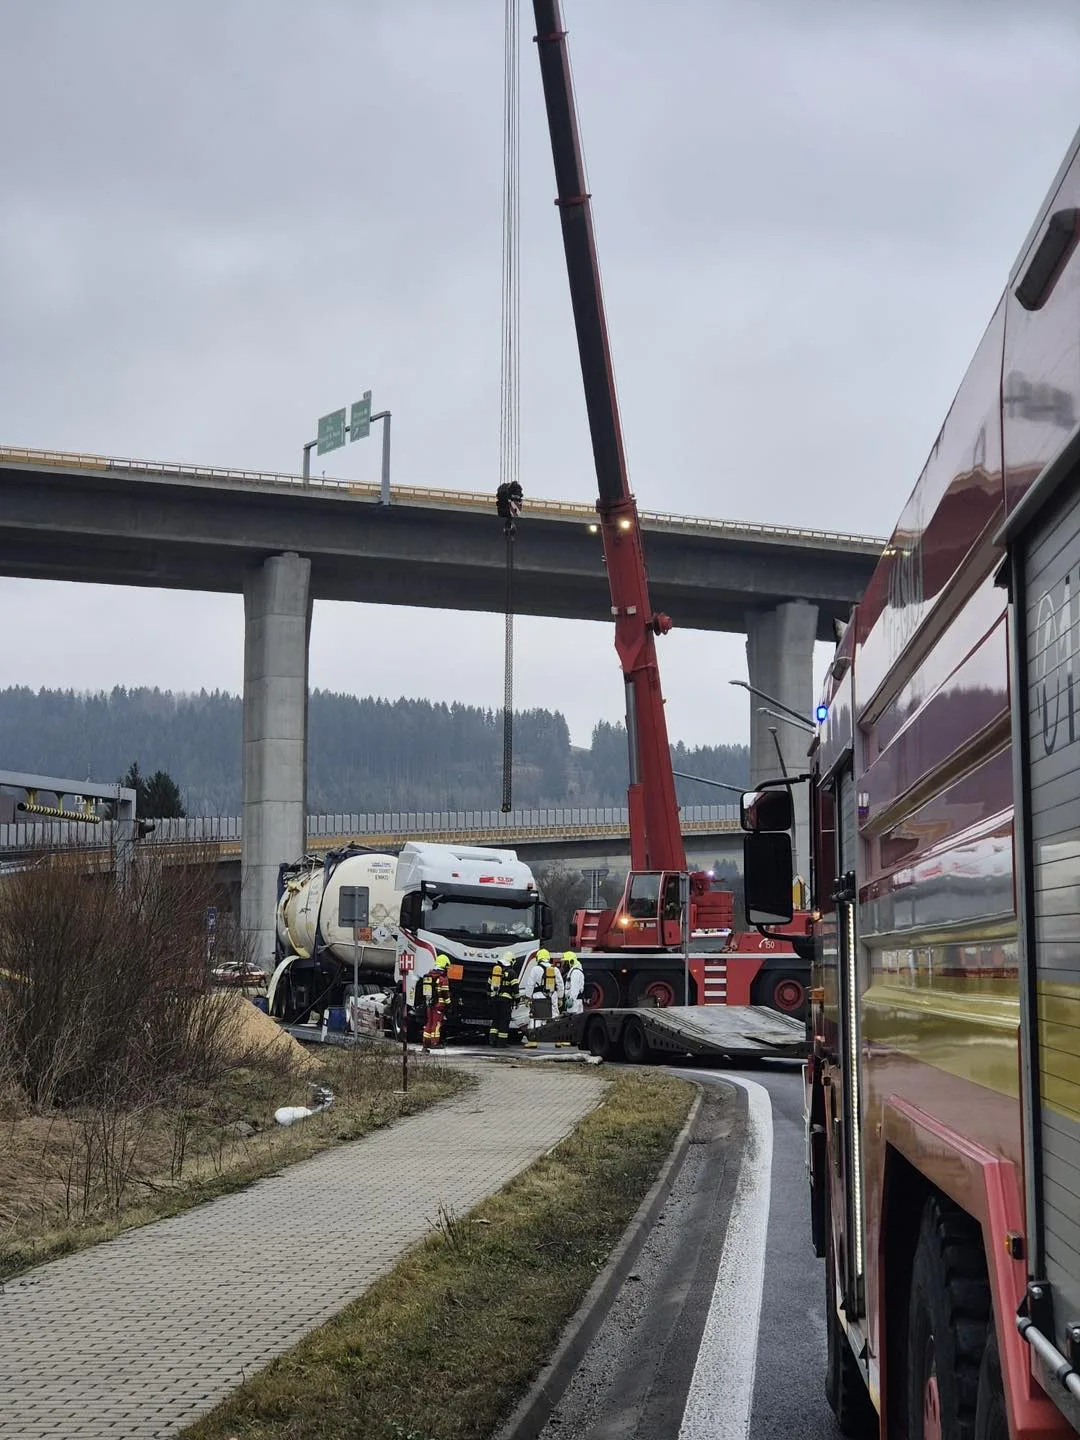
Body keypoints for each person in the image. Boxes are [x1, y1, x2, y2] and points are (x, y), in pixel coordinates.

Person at [420, 954, 451, 1051]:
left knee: (429, 1022)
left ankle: (426, 1044)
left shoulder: (429, 976)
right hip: (439, 1005)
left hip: (429, 1004)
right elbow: (445, 993)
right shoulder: (442, 978)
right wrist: (449, 1003)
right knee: (436, 1024)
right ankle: (434, 1042)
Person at [488, 952, 516, 1049]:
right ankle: (501, 1043)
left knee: (495, 1020)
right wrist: (517, 999)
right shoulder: (512, 972)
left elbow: (488, 985)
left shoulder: (495, 971)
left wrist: (491, 997)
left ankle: (492, 1041)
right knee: (504, 1021)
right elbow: (515, 988)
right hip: (505, 1001)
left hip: (495, 999)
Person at [561, 950, 585, 1015]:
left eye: (565, 962)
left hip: (575, 1003)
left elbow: (575, 988)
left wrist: (571, 999)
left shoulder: (575, 972)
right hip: (575, 1001)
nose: (563, 964)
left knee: (574, 1019)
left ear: (570, 961)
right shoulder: (574, 971)